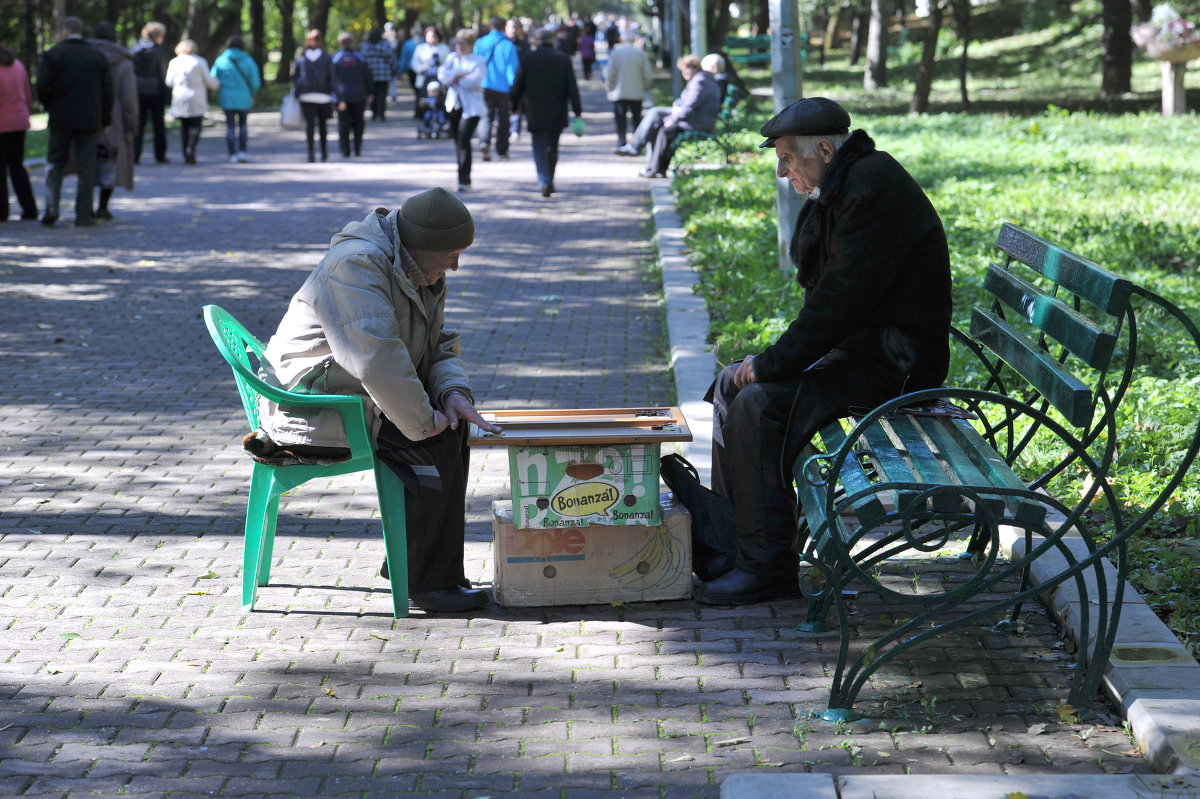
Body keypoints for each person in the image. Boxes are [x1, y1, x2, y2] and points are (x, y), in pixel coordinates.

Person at [697, 97, 952, 606]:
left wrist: (770, 364)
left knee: (758, 403)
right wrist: (765, 363)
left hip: (897, 364)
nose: (780, 170)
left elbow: (836, 305)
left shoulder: (871, 189)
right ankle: (731, 544)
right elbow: (833, 306)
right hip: (865, 350)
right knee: (730, 385)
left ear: (826, 151)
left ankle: (767, 567)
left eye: (787, 158)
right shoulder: (847, 185)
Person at [257, 187, 503, 613]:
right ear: (421, 247)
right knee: (431, 441)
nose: (455, 265)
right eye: (450, 255)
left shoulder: (421, 268)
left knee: (452, 426)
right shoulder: (356, 266)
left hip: (350, 390)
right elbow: (376, 360)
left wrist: (453, 394)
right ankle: (427, 582)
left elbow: (436, 344)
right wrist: (426, 423)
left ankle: (422, 567)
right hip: (312, 405)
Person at [36, 16, 112, 227]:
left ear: (64, 31)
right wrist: (105, 118)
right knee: (87, 166)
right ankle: (84, 214)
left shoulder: (54, 55)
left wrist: (51, 106)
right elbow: (107, 92)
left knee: (55, 163)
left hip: (61, 118)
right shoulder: (96, 56)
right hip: (89, 120)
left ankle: (51, 209)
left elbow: (42, 87)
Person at [510, 26, 582, 198]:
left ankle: (545, 180)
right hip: (558, 109)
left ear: (535, 41)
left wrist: (513, 106)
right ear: (553, 40)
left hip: (535, 110)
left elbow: (518, 84)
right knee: (553, 147)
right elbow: (572, 87)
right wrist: (578, 110)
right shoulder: (563, 59)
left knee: (539, 146)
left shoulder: (528, 58)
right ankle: (548, 179)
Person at [84, 21, 137, 221]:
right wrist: (132, 124)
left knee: (86, 158)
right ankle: (103, 206)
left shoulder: (84, 55)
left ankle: (85, 206)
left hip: (86, 113)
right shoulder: (123, 62)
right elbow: (129, 96)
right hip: (114, 118)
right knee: (110, 160)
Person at [438, 28, 485, 192]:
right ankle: (462, 177)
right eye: (457, 43)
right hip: (453, 106)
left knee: (464, 139)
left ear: (471, 44)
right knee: (458, 141)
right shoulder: (451, 58)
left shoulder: (478, 60)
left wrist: (455, 77)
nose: (459, 47)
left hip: (471, 108)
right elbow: (442, 76)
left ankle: (464, 179)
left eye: (463, 44)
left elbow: (473, 82)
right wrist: (459, 75)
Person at [165, 39, 219, 165]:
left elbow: (168, 82)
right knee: (196, 126)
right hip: (197, 97)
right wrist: (217, 85)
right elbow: (208, 80)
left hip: (180, 98)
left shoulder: (174, 62)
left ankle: (185, 152)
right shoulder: (200, 61)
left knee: (184, 127)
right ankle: (191, 147)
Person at [0, 43, 37, 221]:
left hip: (2, 122)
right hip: (19, 121)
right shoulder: (18, 66)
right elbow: (27, 93)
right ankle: (30, 209)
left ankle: (2, 211)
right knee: (17, 166)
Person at [473, 16, 519, 162]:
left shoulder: (480, 42)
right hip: (503, 87)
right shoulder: (508, 45)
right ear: (503, 27)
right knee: (503, 119)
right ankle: (502, 150)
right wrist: (513, 85)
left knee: (486, 115)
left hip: (484, 85)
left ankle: (484, 142)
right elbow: (513, 68)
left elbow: (475, 62)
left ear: (490, 26)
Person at [210, 35, 261, 164]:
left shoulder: (221, 60)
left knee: (230, 126)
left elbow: (213, 79)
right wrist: (253, 92)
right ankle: (242, 152)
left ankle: (232, 154)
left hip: (226, 98)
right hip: (244, 97)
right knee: (243, 125)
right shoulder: (248, 60)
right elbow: (255, 81)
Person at [604, 29, 652, 153]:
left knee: (620, 120)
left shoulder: (616, 53)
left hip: (619, 93)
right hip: (636, 92)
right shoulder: (640, 54)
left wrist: (609, 87)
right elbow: (647, 74)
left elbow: (610, 73)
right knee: (637, 120)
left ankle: (621, 143)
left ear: (622, 39)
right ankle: (637, 145)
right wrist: (645, 87)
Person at [292, 29, 334, 163]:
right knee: (323, 125)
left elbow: (295, 78)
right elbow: (332, 78)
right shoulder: (327, 58)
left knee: (310, 126)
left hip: (306, 96)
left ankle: (311, 154)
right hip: (324, 96)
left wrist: (298, 92)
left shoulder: (301, 59)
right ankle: (324, 153)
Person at [131, 21, 169, 164]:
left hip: (137, 91)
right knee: (158, 125)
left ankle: (135, 154)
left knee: (138, 125)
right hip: (155, 91)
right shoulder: (158, 51)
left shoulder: (133, 49)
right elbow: (162, 73)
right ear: (158, 36)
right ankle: (160, 155)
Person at [331, 32, 372, 157]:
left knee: (343, 124)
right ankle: (357, 148)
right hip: (359, 96)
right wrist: (370, 92)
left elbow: (333, 80)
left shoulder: (336, 59)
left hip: (342, 97)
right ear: (352, 42)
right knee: (359, 122)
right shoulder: (360, 58)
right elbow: (368, 77)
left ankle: (345, 150)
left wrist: (337, 98)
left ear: (340, 43)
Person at [409, 27, 449, 120]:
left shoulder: (444, 48)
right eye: (430, 36)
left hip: (440, 79)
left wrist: (442, 68)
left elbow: (448, 62)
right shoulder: (420, 48)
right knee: (423, 99)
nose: (432, 39)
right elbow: (414, 63)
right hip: (424, 79)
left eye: (434, 36)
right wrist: (422, 68)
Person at [360, 27, 396, 122]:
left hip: (370, 75)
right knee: (382, 95)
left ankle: (374, 113)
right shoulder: (385, 45)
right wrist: (394, 69)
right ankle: (381, 113)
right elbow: (392, 58)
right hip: (383, 74)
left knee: (372, 94)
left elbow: (362, 60)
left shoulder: (365, 46)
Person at [505, 19, 530, 141]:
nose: (513, 30)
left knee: (518, 105)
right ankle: (506, 129)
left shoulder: (523, 45)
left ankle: (515, 129)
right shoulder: (502, 44)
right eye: (510, 27)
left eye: (515, 27)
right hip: (503, 82)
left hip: (519, 81)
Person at [398, 25, 422, 115]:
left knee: (417, 90)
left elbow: (403, 59)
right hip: (417, 70)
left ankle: (419, 109)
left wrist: (400, 70)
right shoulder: (422, 42)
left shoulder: (408, 44)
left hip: (413, 70)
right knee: (420, 90)